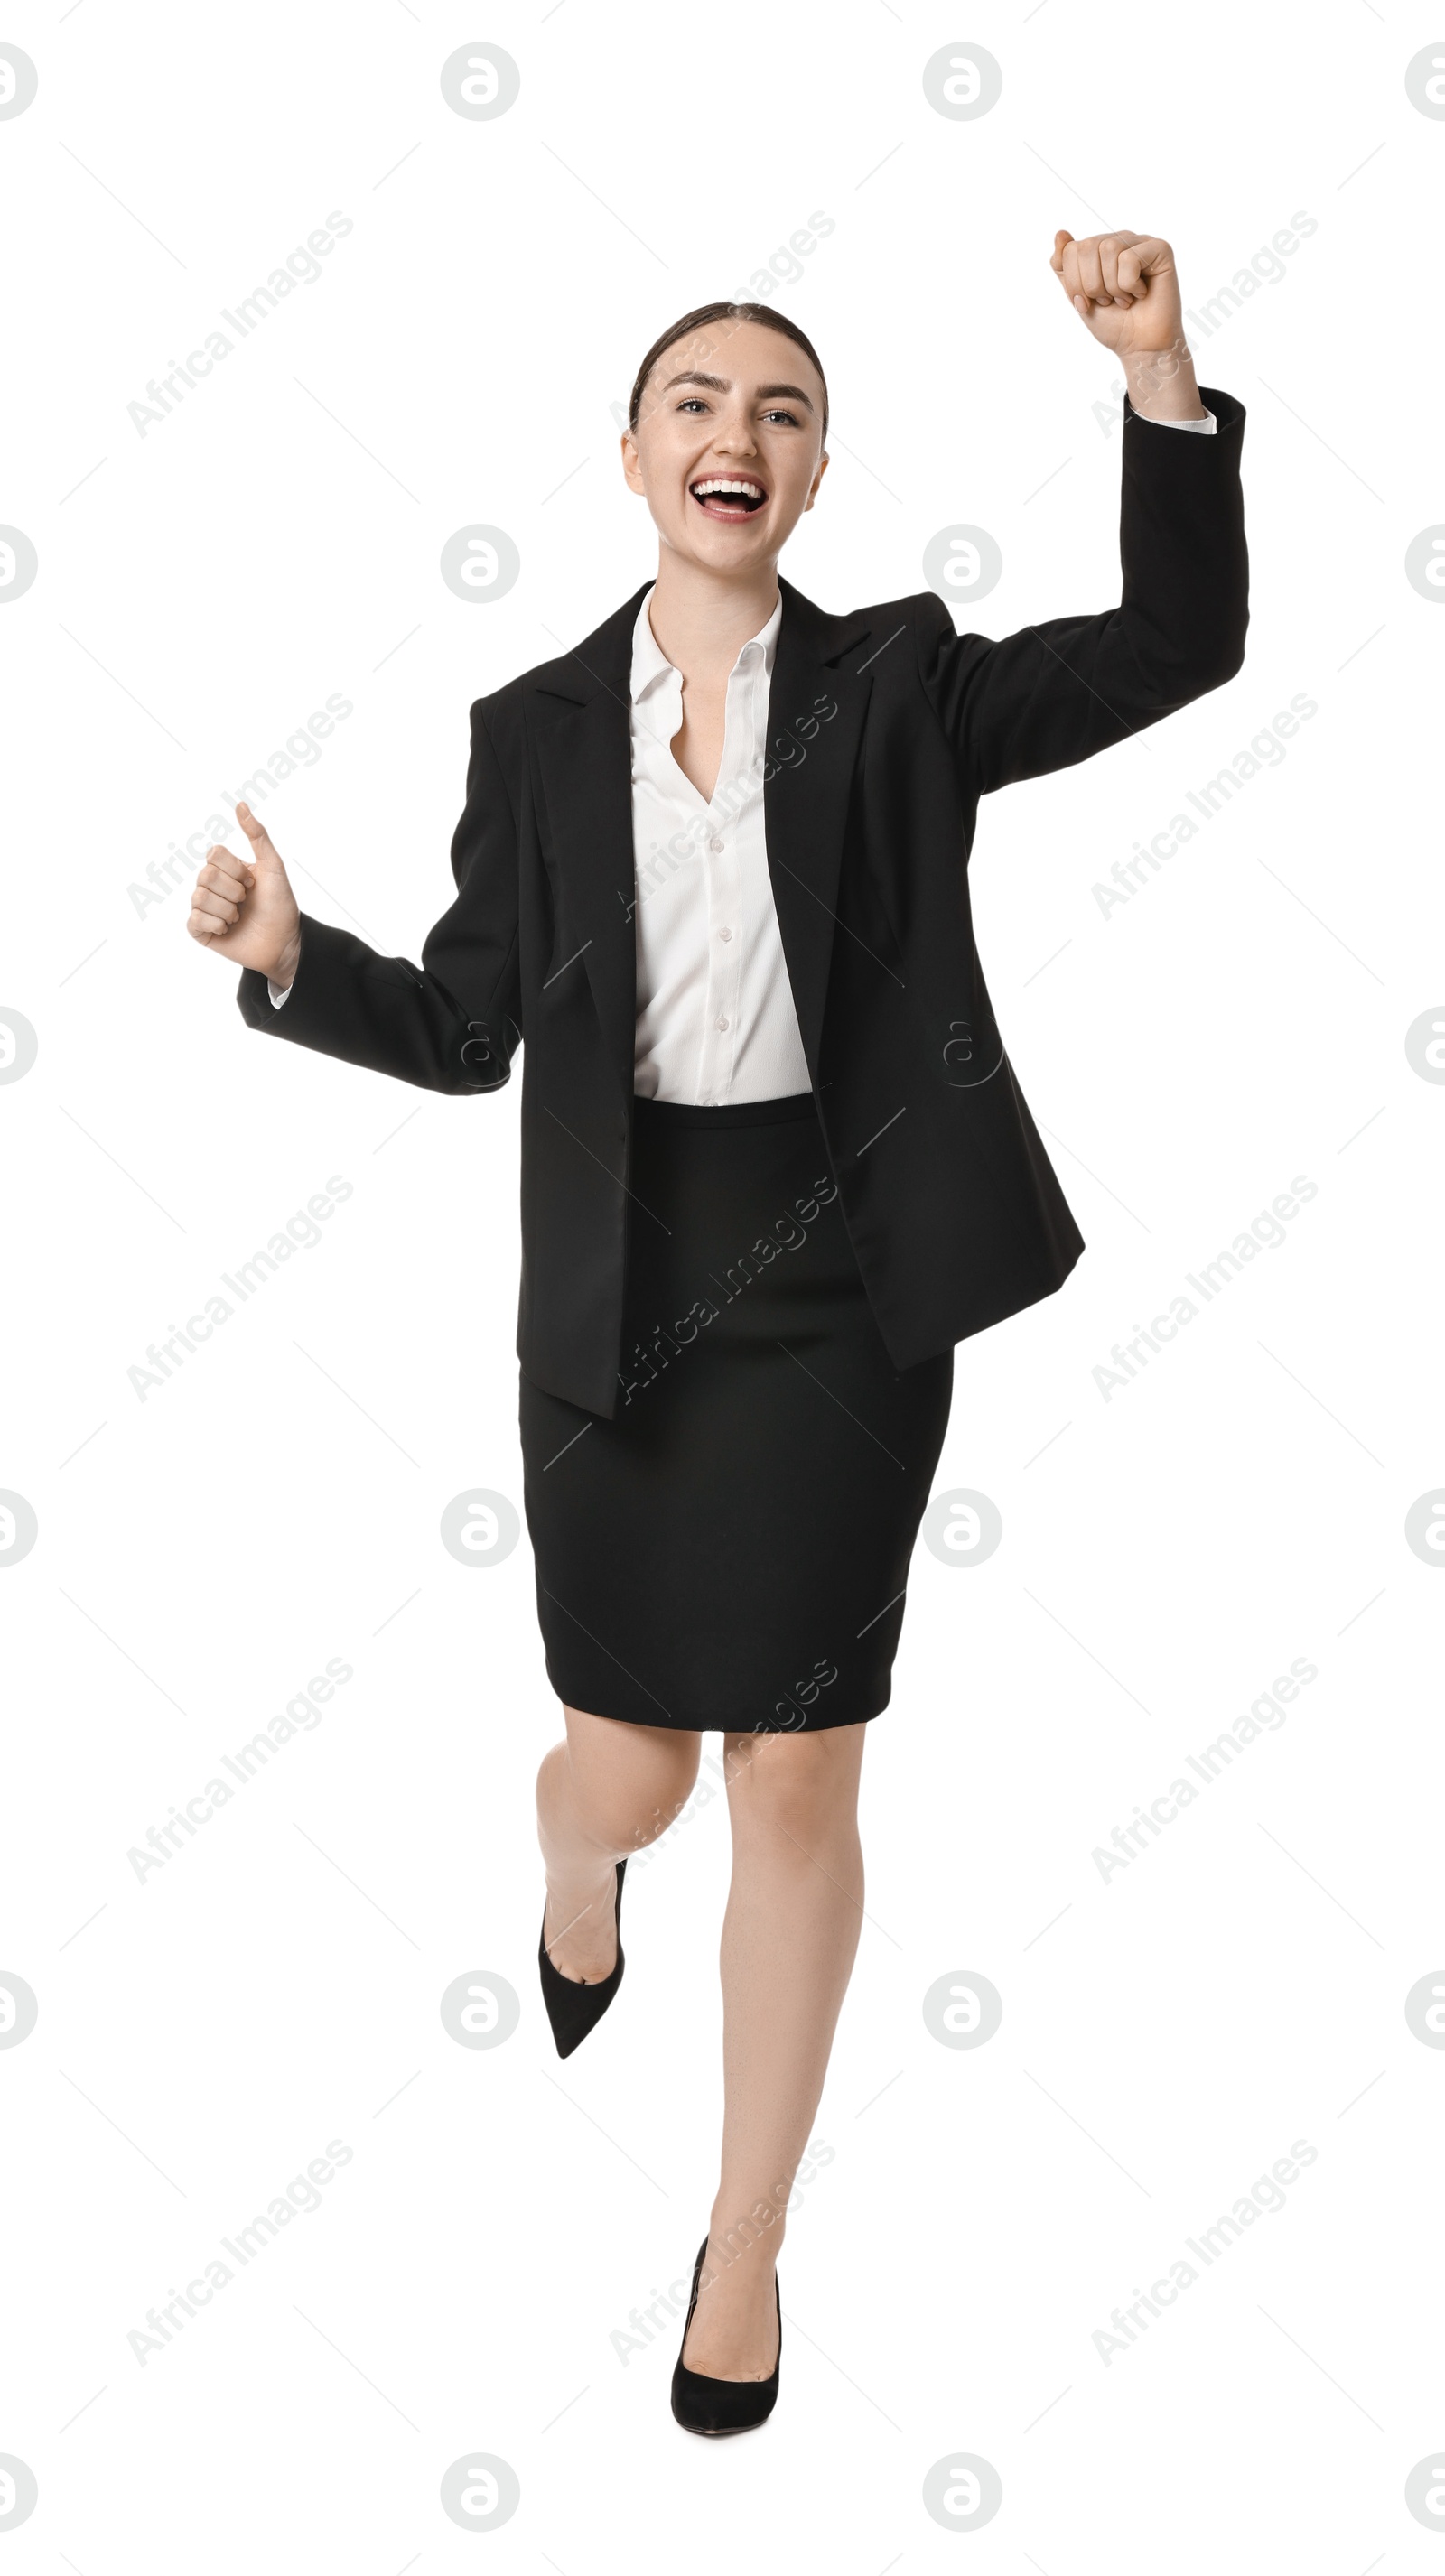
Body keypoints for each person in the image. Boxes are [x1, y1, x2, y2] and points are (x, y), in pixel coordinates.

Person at [188, 229, 1247, 2437]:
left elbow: (1175, 639)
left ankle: (743, 2238)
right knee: (641, 1766)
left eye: (776, 407)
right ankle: (572, 1859)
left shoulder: (904, 690)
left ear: (818, 472)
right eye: (695, 399)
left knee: (798, 1768)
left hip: (848, 1284)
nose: (732, 432)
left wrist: (1154, 377)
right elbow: (474, 1024)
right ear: (629, 457)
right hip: (618, 1282)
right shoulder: (530, 730)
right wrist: (301, 956)